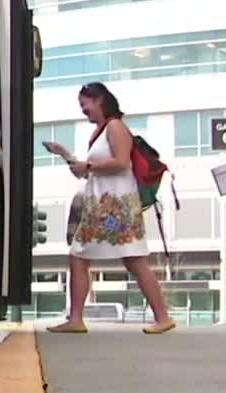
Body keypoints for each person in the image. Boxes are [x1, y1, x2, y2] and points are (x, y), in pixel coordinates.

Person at [45, 82, 176, 335]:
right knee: (121, 259)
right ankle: (161, 317)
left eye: (85, 104)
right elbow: (93, 170)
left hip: (114, 205)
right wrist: (67, 156)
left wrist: (89, 167)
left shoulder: (115, 127)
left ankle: (77, 319)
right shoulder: (101, 132)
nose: (83, 111)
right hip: (107, 204)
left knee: (93, 257)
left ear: (99, 100)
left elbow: (120, 162)